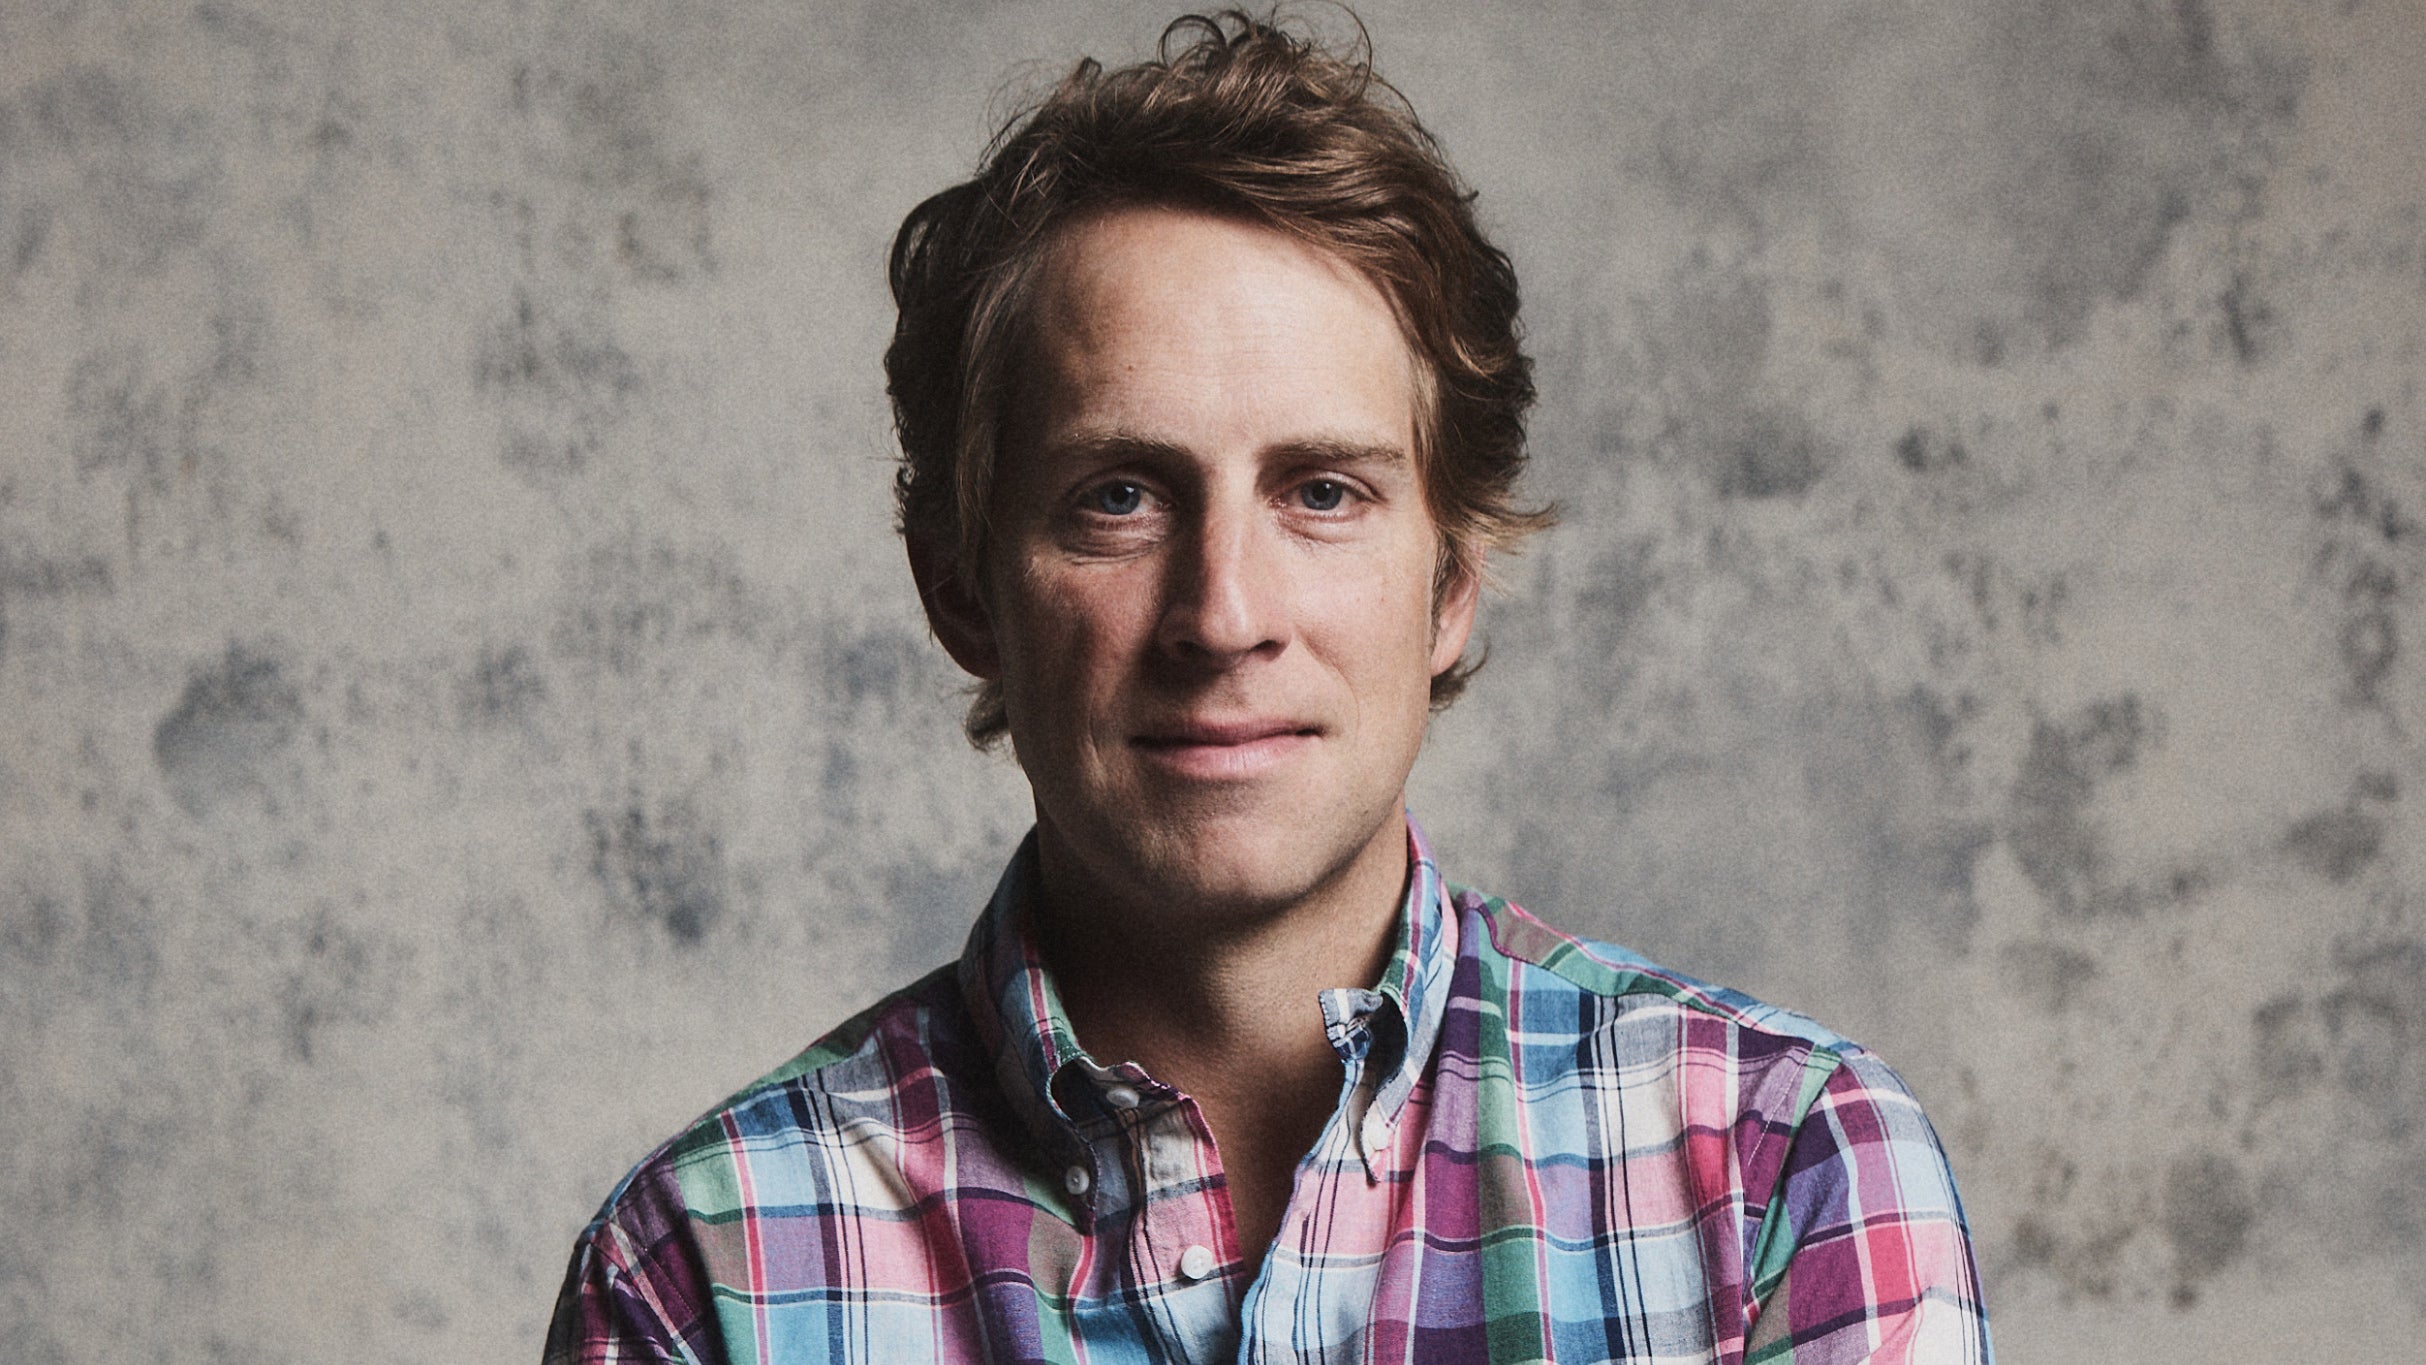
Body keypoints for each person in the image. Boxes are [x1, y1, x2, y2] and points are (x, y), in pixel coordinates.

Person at [543, 10, 1991, 1362]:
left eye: (1321, 492)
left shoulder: (1775, 1174)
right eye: (1118, 495)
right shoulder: (708, 1268)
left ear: (1451, 581)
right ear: (962, 591)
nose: (1223, 616)